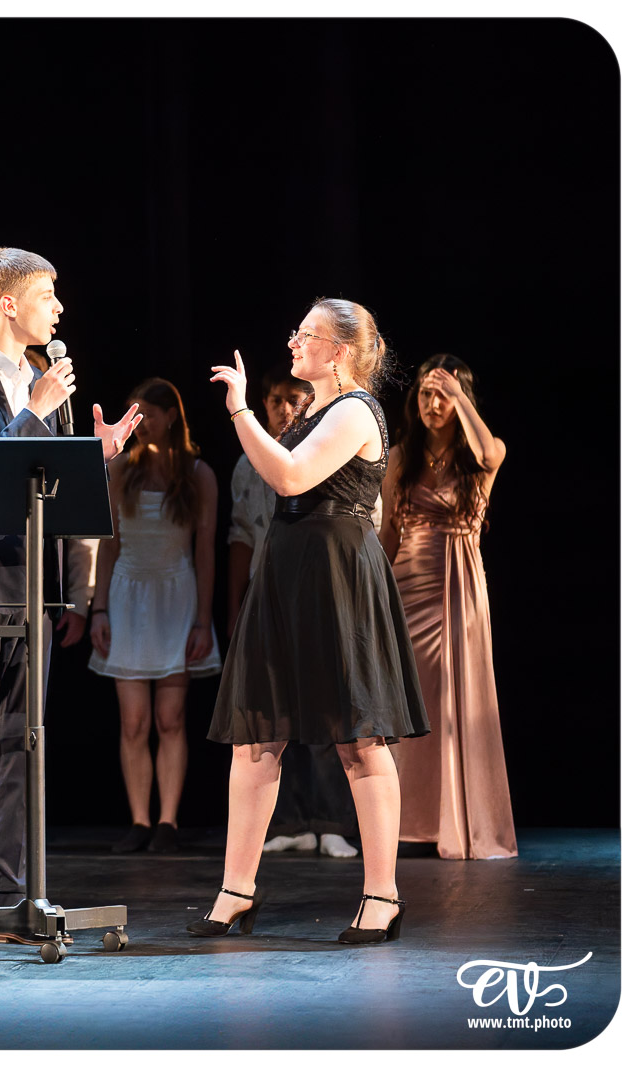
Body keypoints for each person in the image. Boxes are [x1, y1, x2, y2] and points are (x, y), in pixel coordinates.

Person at [0, 247, 140, 950]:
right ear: (8, 302)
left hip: (34, 592)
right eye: (48, 294)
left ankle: (16, 898)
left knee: (23, 744)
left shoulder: (48, 382)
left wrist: (93, 459)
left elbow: (57, 494)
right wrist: (36, 417)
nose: (59, 308)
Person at [196, 298, 427, 945]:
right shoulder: (315, 409)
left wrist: (240, 407)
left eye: (307, 334)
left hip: (334, 584)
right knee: (255, 737)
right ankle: (235, 891)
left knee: (359, 738)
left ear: (340, 350)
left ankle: (382, 896)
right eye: (295, 331)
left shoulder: (355, 410)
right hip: (289, 579)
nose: (293, 342)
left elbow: (292, 476)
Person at [381, 355, 515, 860]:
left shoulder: (480, 454)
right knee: (411, 700)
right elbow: (388, 532)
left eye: (443, 395)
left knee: (456, 702)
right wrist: (376, 587)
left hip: (458, 584)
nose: (433, 404)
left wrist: (458, 396)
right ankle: (408, 822)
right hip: (408, 582)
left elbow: (489, 452)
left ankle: (454, 821)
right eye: (425, 395)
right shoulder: (401, 456)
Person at [232, 363, 362, 861]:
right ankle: (289, 820)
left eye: (294, 400)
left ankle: (331, 821)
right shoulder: (250, 461)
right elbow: (240, 536)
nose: (285, 409)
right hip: (270, 592)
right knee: (272, 715)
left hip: (319, 590)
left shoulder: (329, 440)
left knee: (328, 711)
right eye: (276, 401)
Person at [88, 377, 220, 855]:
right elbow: (108, 544)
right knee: (133, 721)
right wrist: (98, 607)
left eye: (146, 414)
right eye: (133, 415)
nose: (138, 424)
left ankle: (168, 820)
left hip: (175, 596)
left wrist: (203, 620)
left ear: (169, 416)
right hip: (127, 595)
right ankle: (139, 819)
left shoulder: (197, 474)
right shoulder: (123, 469)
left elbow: (205, 552)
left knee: (170, 717)